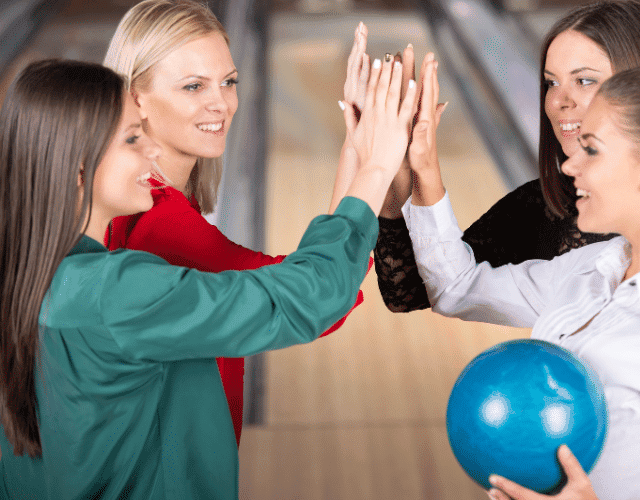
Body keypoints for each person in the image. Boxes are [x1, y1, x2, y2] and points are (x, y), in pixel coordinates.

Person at [348, 1, 640, 493]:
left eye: (593, 147)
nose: (567, 164)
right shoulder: (592, 269)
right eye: (550, 81)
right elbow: (455, 286)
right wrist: (419, 170)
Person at [0, 56, 416, 498]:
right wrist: (375, 166)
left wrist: (355, 150)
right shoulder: (115, 293)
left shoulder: (24, 278)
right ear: (76, 167)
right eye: (132, 138)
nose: (152, 149)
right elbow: (306, 296)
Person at [101, 0, 371, 446]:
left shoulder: (125, 199)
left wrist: (356, 149)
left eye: (229, 82)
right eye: (193, 86)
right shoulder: (165, 228)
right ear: (136, 98)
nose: (221, 103)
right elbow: (317, 293)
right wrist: (370, 160)